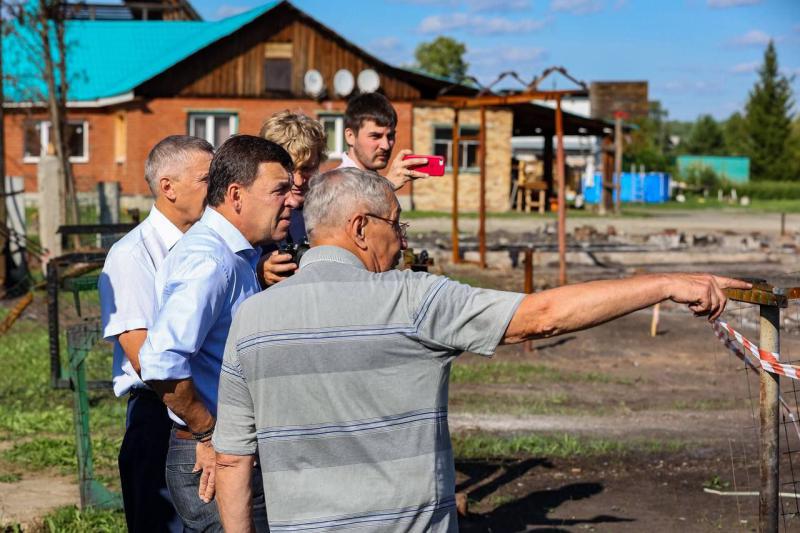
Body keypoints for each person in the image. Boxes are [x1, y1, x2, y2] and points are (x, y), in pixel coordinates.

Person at [212, 167, 751, 532]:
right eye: (396, 225)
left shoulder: (252, 318)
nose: (402, 241)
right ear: (360, 228)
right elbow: (542, 316)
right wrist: (666, 284)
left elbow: (233, 458)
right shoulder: (412, 299)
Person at [138, 135, 298, 532]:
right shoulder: (210, 260)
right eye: (279, 190)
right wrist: (208, 434)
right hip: (211, 457)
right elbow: (160, 361)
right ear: (236, 195)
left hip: (231, 449)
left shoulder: (236, 255)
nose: (292, 202)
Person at [98, 135, 213, 533]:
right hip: (164, 414)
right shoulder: (133, 255)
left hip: (207, 409)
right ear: (168, 187)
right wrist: (203, 426)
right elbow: (144, 356)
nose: (216, 188)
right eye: (206, 179)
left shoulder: (209, 246)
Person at [257, 110, 327, 286]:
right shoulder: (249, 210)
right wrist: (257, 270)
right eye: (290, 169)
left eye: (307, 168)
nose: (298, 180)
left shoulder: (328, 210)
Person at [339, 92, 430, 191]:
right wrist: (387, 187)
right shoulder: (336, 185)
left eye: (390, 136)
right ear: (350, 136)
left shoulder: (374, 182)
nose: (386, 146)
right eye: (375, 136)